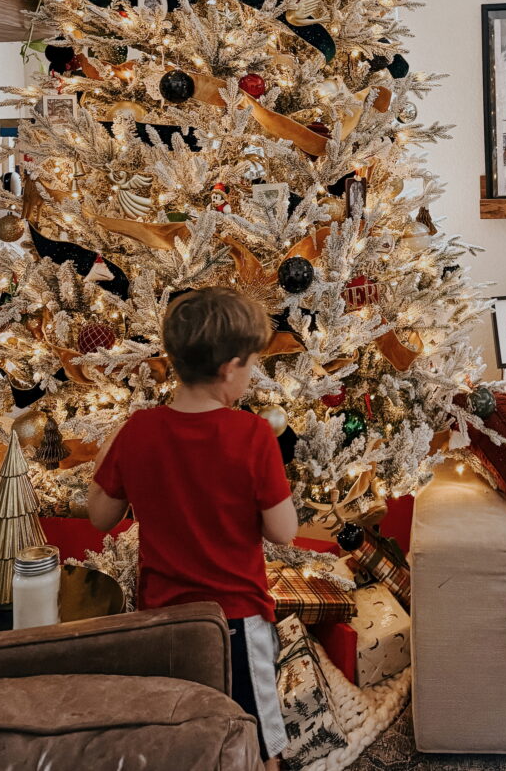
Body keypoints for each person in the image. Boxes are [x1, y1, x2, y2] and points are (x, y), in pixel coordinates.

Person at [88, 287, 297, 771]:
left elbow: (99, 517)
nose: (251, 376)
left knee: (184, 732)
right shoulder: (251, 435)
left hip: (163, 621)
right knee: (259, 740)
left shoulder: (137, 429)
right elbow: (283, 532)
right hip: (236, 622)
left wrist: (110, 449)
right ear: (229, 367)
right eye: (250, 365)